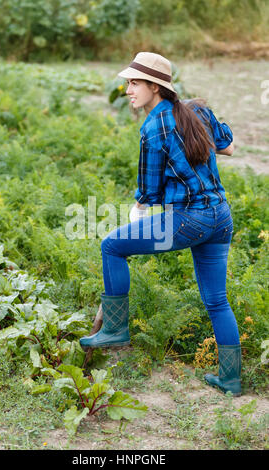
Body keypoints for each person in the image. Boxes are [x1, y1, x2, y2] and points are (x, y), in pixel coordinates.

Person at [80, 52, 241, 396]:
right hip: (221, 217)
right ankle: (230, 380)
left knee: (111, 245)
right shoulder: (197, 110)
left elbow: (150, 191)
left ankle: (115, 328)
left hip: (190, 219)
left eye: (134, 83)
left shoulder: (153, 127)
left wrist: (140, 202)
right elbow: (229, 147)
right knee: (216, 300)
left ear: (155, 86)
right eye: (127, 83)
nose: (127, 90)